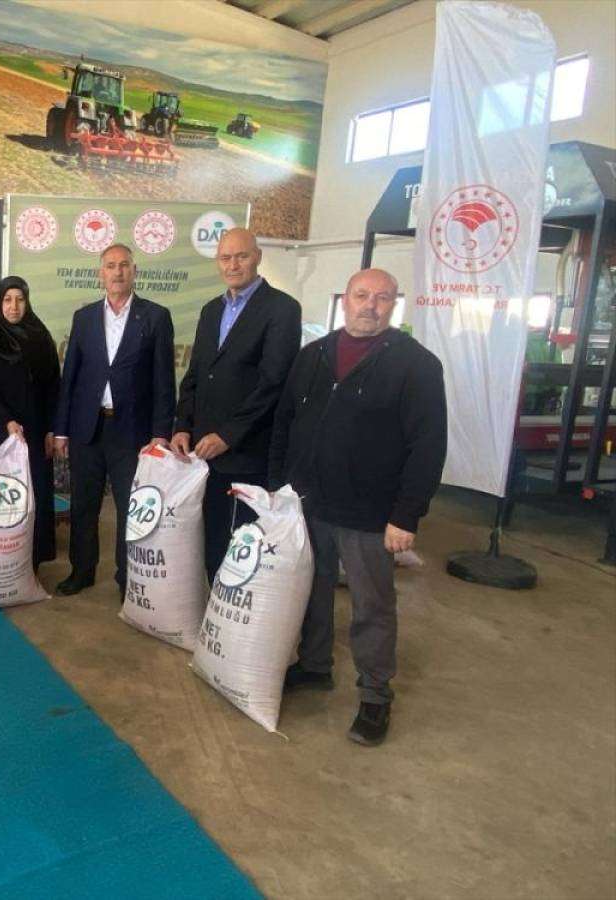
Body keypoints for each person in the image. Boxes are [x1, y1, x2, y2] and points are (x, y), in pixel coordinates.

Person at [269, 268, 447, 747]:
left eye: (382, 298)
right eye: (362, 295)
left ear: (395, 305)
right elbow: (284, 422)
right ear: (345, 300)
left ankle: (374, 694)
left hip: (370, 514)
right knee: (312, 591)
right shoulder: (313, 355)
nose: (371, 305)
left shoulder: (416, 365)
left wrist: (406, 515)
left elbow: (428, 447)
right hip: (309, 502)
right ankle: (314, 665)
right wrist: (278, 488)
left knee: (372, 605)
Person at [172, 227, 301, 583]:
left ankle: (231, 607)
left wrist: (228, 435)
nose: (233, 265)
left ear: (257, 257)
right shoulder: (211, 310)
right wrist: (182, 424)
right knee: (209, 536)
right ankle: (214, 602)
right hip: (202, 453)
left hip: (245, 452)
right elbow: (196, 373)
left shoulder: (282, 309)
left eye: (241, 256)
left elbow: (273, 383)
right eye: (225, 258)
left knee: (240, 543)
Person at [53, 243, 175, 596]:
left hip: (133, 433)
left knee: (129, 509)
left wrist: (161, 433)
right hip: (87, 429)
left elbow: (164, 380)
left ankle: (127, 577)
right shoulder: (84, 317)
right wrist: (61, 430)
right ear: (100, 273)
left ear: (134, 271)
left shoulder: (156, 317)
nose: (117, 272)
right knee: (83, 505)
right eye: (110, 266)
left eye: (124, 265)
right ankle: (81, 571)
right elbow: (70, 377)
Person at [0, 275, 61, 568]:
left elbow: (53, 386)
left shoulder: (40, 336)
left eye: (20, 299)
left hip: (35, 431)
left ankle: (32, 565)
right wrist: (7, 421)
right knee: (2, 497)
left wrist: (52, 428)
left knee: (34, 494)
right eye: (7, 300)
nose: (14, 306)